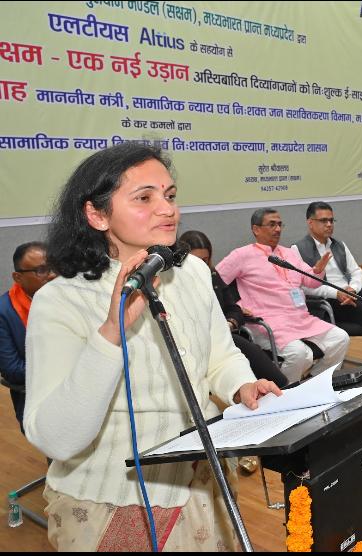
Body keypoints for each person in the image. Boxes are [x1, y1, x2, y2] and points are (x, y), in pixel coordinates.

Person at [24, 143, 282, 551]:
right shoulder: (61, 300)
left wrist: (241, 386)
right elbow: (56, 438)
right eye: (145, 198)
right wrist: (111, 334)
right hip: (112, 499)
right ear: (97, 214)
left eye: (170, 196)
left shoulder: (193, 272)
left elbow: (220, 355)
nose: (168, 210)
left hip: (203, 483)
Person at [216, 208, 350, 385]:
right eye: (272, 224)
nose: (278, 229)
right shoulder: (241, 255)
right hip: (268, 322)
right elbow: (215, 283)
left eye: (279, 224)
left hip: (300, 318)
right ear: (256, 229)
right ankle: (286, 393)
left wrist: (317, 271)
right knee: (301, 354)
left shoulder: (289, 253)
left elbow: (311, 282)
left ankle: (314, 383)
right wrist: (236, 307)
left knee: (340, 338)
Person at [292, 201, 362, 363]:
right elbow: (302, 287)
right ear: (310, 223)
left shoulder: (339, 245)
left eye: (331, 220)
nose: (329, 224)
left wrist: (352, 289)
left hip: (350, 293)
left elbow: (356, 271)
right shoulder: (297, 249)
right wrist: (336, 293)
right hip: (328, 300)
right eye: (324, 221)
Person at [178, 230, 289, 389]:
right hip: (201, 341)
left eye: (205, 260)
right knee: (246, 356)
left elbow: (233, 308)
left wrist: (230, 323)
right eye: (196, 261)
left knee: (269, 373)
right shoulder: (176, 283)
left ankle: (281, 390)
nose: (201, 265)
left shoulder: (212, 274)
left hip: (226, 334)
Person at [0, 241, 55, 430]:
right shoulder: (4, 312)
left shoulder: (66, 300)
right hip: (36, 401)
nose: (53, 275)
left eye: (54, 267)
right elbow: (12, 369)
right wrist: (62, 368)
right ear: (18, 277)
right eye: (41, 270)